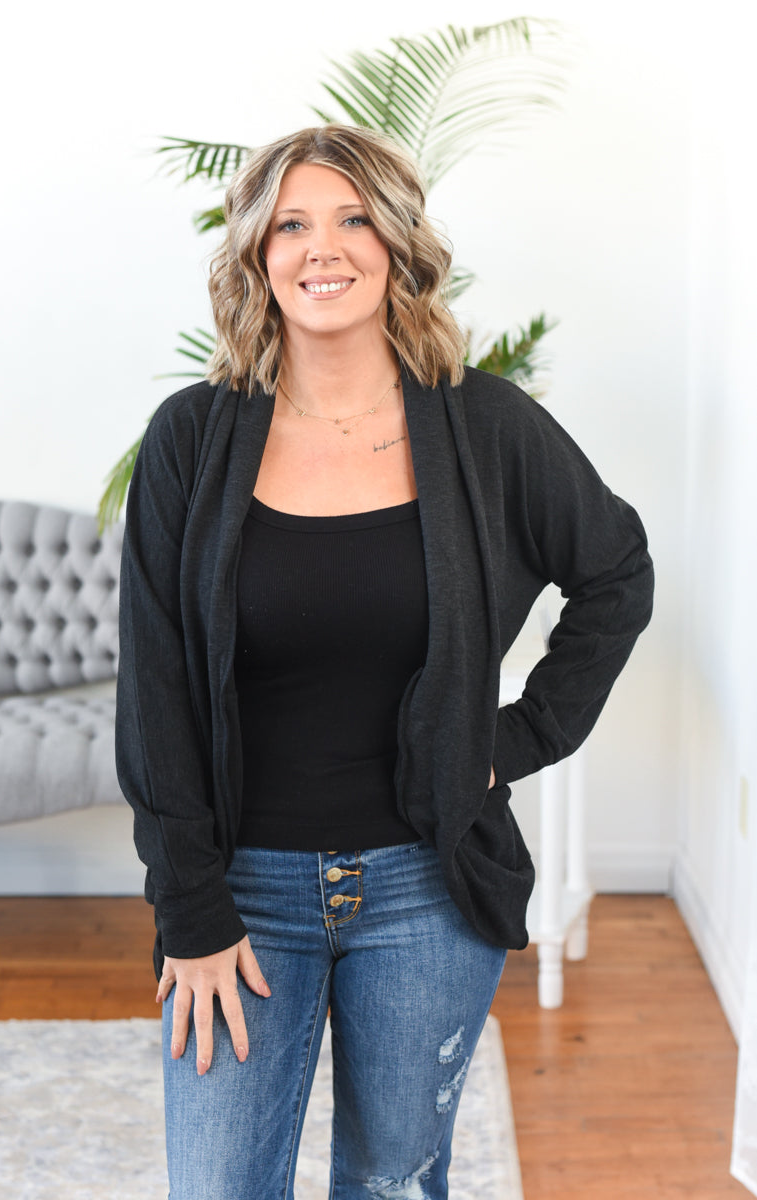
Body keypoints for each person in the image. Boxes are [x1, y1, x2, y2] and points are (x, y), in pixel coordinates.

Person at [116, 123, 654, 1200]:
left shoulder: (483, 425)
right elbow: (155, 689)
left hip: (426, 888)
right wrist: (190, 911)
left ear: (397, 243)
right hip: (241, 889)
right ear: (257, 254)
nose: (323, 247)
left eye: (353, 218)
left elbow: (615, 570)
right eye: (292, 225)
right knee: (219, 1186)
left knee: (393, 1185)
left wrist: (513, 740)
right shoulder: (191, 438)